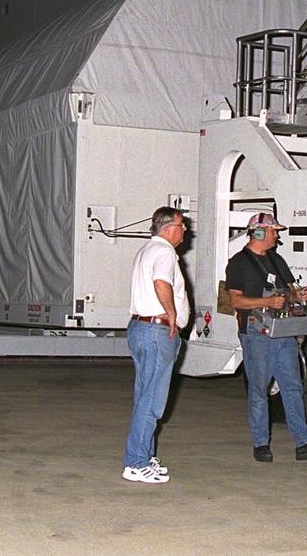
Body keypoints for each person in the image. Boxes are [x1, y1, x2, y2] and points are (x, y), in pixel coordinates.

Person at [225, 212, 307, 463]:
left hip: (283, 332)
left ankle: (304, 442)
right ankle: (260, 443)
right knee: (258, 389)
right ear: (259, 232)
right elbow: (235, 300)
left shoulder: (277, 260)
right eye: (274, 231)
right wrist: (266, 301)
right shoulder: (238, 263)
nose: (277, 235)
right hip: (256, 333)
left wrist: (301, 296)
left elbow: (290, 291)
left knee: (293, 386)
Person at [121, 206, 190, 485]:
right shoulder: (164, 252)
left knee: (145, 395)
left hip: (141, 328)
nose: (185, 229)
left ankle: (144, 456)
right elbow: (161, 283)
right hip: (156, 330)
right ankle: (136, 462)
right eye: (181, 225)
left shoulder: (146, 250)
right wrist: (172, 315)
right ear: (168, 227)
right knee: (153, 399)